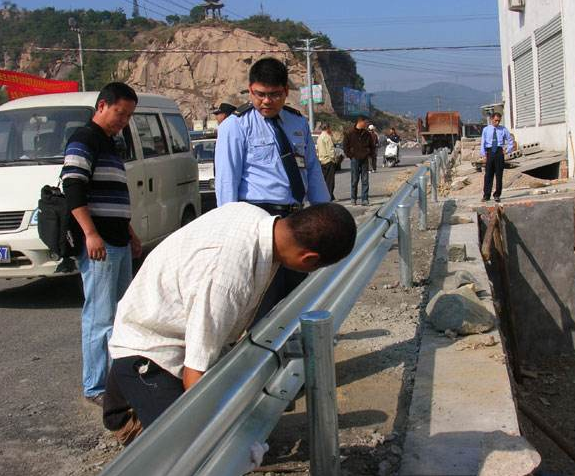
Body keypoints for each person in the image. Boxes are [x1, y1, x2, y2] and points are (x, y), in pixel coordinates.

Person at [103, 202, 356, 432]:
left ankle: (126, 400)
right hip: (151, 345)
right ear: (309, 259)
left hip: (165, 320)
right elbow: (195, 374)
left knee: (234, 411)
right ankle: (125, 416)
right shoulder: (228, 279)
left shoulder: (253, 216)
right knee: (189, 445)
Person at [215, 57, 330, 320]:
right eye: (260, 94)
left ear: (286, 92)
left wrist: (324, 213)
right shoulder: (235, 126)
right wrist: (228, 231)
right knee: (263, 293)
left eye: (275, 95)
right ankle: (263, 342)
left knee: (297, 287)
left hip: (295, 216)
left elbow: (312, 170)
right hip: (259, 218)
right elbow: (227, 180)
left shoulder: (297, 123)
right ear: (250, 90)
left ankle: (298, 339)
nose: (266, 101)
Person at [60, 82, 143, 406]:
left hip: (117, 239)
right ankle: (95, 387)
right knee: (100, 316)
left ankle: (117, 381)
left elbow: (114, 197)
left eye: (128, 116)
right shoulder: (84, 139)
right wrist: (90, 234)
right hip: (100, 243)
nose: (123, 121)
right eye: (120, 113)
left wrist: (130, 232)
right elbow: (73, 188)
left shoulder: (111, 144)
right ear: (102, 106)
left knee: (121, 315)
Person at [480, 112, 514, 203]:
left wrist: (507, 150)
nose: (497, 122)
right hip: (490, 151)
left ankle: (497, 195)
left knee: (499, 175)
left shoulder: (503, 129)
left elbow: (510, 140)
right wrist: (483, 154)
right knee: (488, 175)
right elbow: (483, 142)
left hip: (499, 152)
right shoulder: (486, 129)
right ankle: (486, 195)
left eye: (499, 121)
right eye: (496, 120)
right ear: (491, 119)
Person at [343, 115, 375, 206]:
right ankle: (353, 198)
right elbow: (345, 146)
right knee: (354, 180)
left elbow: (372, 146)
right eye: (365, 122)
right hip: (355, 159)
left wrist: (369, 154)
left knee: (365, 180)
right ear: (360, 122)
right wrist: (351, 156)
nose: (366, 124)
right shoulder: (350, 133)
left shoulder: (367, 134)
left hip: (365, 159)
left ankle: (365, 199)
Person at [317, 123, 336, 201]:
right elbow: (331, 150)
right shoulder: (327, 137)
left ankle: (325, 195)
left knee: (324, 180)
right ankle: (329, 196)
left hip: (321, 161)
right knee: (330, 181)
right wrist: (334, 159)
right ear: (327, 128)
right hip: (328, 160)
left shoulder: (319, 137)